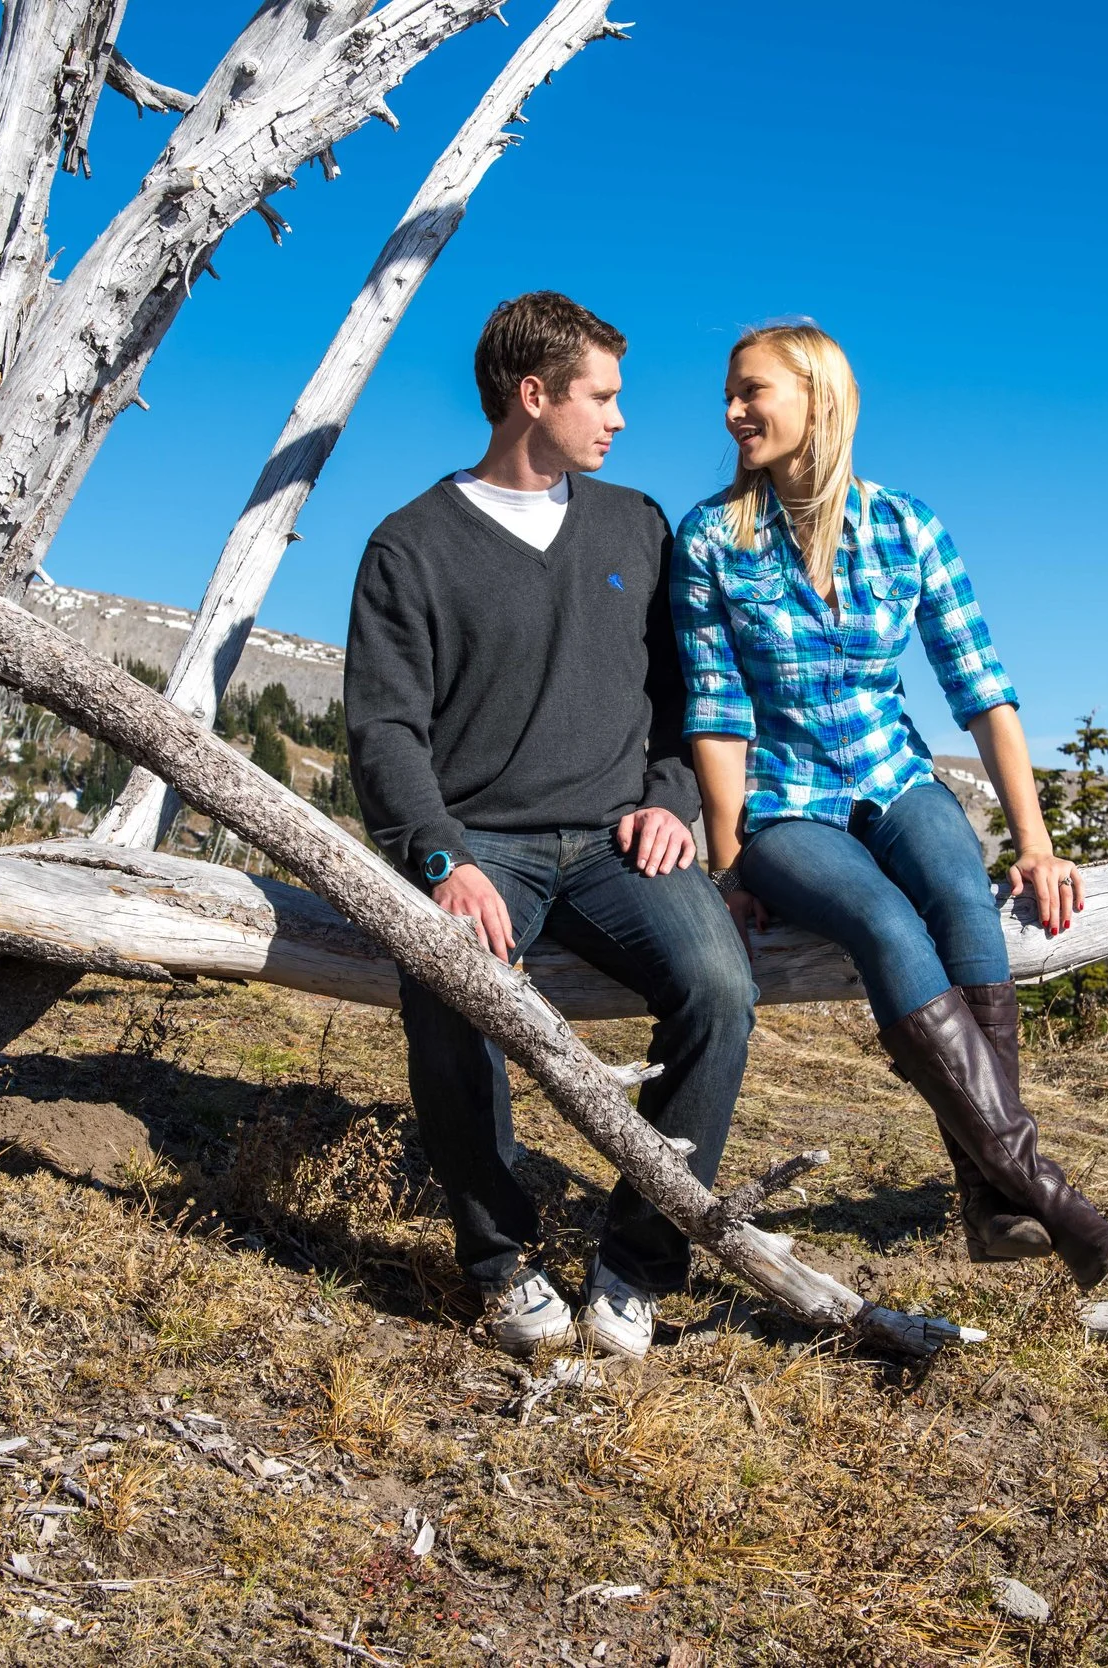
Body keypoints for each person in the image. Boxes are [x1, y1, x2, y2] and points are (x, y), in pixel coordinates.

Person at [672, 321, 1108, 1289]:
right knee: (886, 922)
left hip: (895, 776)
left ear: (817, 399)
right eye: (729, 395)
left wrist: (1035, 842)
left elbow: (983, 691)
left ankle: (988, 1198)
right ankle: (1038, 1189)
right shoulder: (711, 538)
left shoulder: (905, 526)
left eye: (753, 391)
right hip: (784, 805)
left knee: (963, 898)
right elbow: (716, 711)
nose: (733, 412)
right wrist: (728, 864)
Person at [345, 292, 755, 1357]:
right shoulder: (410, 546)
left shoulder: (636, 524)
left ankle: (637, 1263)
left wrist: (670, 800)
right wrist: (442, 859)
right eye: (602, 396)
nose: (620, 417)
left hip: (622, 840)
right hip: (483, 843)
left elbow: (684, 696)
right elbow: (385, 732)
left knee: (721, 989)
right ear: (533, 395)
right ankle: (499, 1260)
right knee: (450, 988)